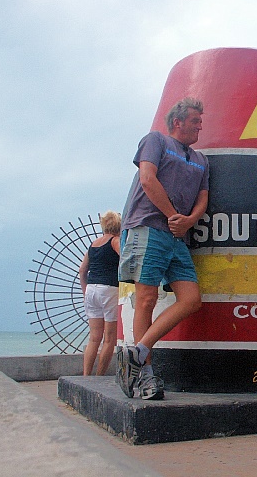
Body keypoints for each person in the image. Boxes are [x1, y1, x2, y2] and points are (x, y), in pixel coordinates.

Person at [116, 97, 209, 400]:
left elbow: (203, 197)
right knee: (146, 298)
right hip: (148, 226)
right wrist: (172, 216)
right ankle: (144, 376)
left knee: (191, 299)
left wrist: (189, 220)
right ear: (178, 122)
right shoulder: (155, 140)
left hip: (177, 235)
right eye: (195, 119)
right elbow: (147, 177)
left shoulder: (201, 159)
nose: (200, 125)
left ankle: (137, 352)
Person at [79, 211, 121, 376]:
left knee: (94, 338)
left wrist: (85, 292)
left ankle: (86, 376)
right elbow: (126, 260)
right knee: (109, 339)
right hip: (109, 289)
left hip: (91, 290)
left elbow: (82, 270)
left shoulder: (94, 244)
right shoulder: (115, 241)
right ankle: (99, 377)